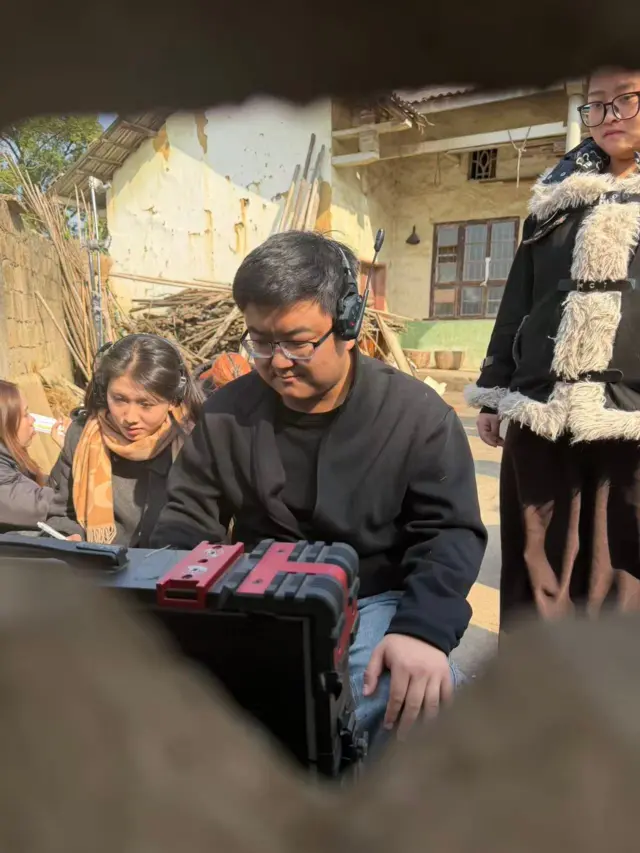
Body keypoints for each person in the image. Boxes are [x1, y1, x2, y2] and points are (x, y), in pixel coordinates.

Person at [150, 231, 486, 745]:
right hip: (260, 598)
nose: (278, 361)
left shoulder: (418, 418)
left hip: (375, 598)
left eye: (297, 342)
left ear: (348, 324)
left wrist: (422, 631)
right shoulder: (225, 416)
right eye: (261, 342)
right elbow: (185, 521)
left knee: (393, 693)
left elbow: (450, 535)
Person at [467, 67, 640, 627]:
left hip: (631, 414)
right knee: (536, 557)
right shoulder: (554, 196)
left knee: (620, 563)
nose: (609, 116)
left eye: (627, 100)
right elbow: (519, 298)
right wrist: (494, 389)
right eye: (597, 104)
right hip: (542, 404)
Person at [49, 334, 203, 547]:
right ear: (104, 392)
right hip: (102, 562)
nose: (130, 417)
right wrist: (70, 535)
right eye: (119, 399)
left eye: (146, 404)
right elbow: (61, 512)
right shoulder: (81, 437)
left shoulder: (196, 441)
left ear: (173, 399)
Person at [0, 380, 81, 537]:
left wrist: (66, 451)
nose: (32, 420)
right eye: (25, 414)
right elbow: (50, 505)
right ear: (4, 424)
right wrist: (74, 448)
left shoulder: (10, 462)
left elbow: (45, 490)